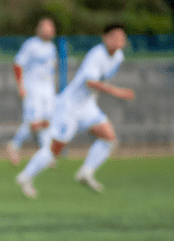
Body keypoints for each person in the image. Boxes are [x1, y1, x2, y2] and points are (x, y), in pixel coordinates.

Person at [15, 24, 134, 198]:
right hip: (69, 107)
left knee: (109, 137)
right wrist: (117, 92)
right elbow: (90, 82)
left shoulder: (118, 57)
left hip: (87, 106)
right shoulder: (97, 54)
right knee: (55, 149)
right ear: (105, 37)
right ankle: (25, 176)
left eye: (122, 37)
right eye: (115, 36)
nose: (120, 40)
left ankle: (86, 172)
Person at [7, 17, 58, 165]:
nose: (50, 30)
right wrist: (20, 85)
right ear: (39, 29)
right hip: (33, 88)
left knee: (47, 121)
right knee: (33, 122)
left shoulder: (52, 47)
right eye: (46, 27)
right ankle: (14, 145)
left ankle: (45, 154)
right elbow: (18, 64)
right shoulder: (31, 44)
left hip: (48, 89)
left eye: (51, 27)